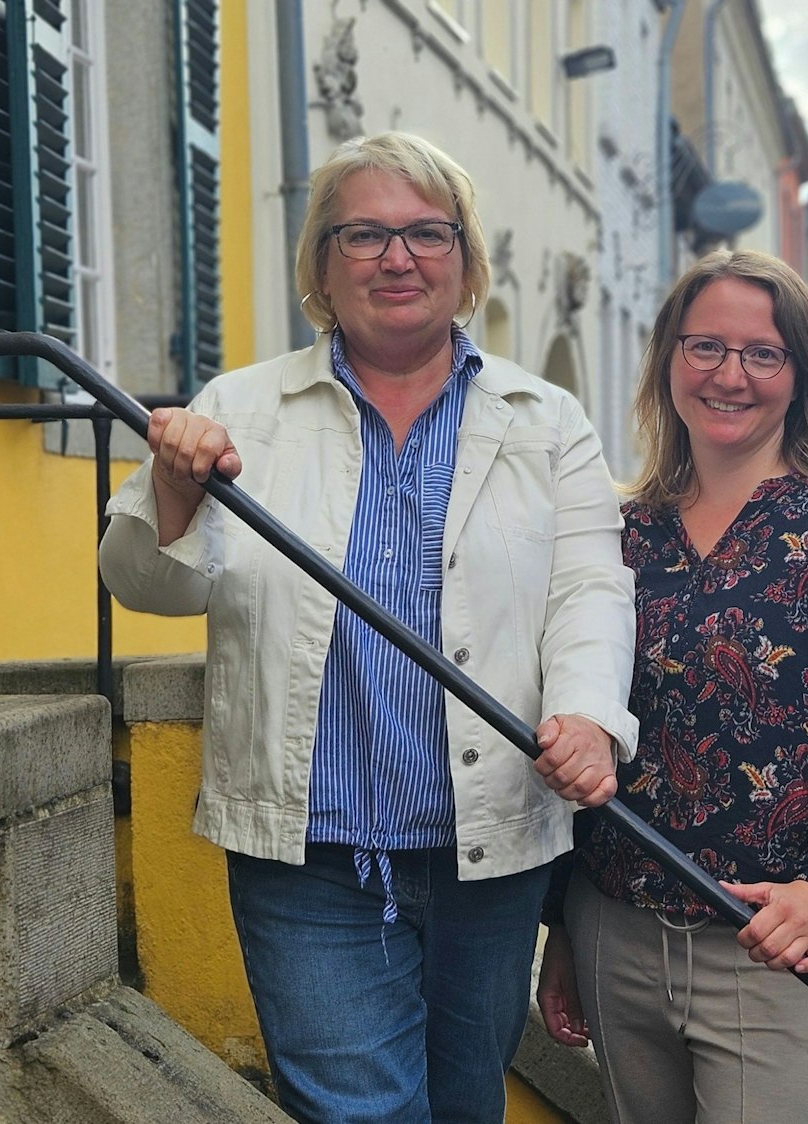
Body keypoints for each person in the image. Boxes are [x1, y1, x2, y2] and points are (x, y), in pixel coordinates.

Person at [97, 132, 638, 1124]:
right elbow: (141, 583)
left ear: (465, 261)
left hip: (488, 844)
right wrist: (172, 489)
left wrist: (589, 714)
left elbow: (588, 591)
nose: (398, 257)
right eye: (365, 235)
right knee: (360, 1111)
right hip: (310, 850)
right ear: (320, 263)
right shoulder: (240, 410)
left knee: (465, 1099)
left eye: (428, 233)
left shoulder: (545, 419)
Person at [536, 249, 808, 1123]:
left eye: (763, 353)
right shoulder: (620, 530)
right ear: (669, 358)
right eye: (705, 346)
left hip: (781, 952)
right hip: (619, 936)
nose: (730, 375)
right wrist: (563, 923)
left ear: (800, 375)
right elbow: (582, 712)